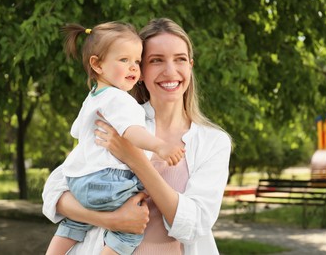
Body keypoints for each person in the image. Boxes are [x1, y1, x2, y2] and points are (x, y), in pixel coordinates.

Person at [42, 17, 232, 255]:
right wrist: (113, 221)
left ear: (190, 66)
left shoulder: (213, 142)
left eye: (180, 59)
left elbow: (194, 225)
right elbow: (55, 191)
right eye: (156, 60)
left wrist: (134, 159)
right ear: (141, 71)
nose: (170, 71)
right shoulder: (115, 119)